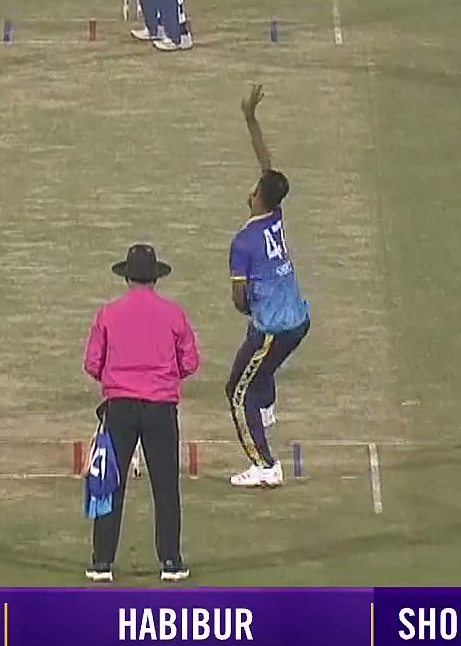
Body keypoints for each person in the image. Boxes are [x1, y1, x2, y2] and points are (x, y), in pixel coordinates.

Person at [82, 244, 200, 582]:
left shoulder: (108, 314)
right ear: (155, 278)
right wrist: (164, 379)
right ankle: (171, 562)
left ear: (127, 277)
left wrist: (117, 380)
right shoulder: (174, 315)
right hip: (161, 409)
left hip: (119, 408)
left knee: (110, 485)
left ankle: (102, 563)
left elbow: (92, 363)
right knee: (166, 486)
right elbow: (190, 362)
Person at [226, 86, 311, 487]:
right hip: (298, 319)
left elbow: (239, 300)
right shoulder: (275, 214)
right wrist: (250, 117)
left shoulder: (243, 242)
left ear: (260, 197)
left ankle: (265, 465)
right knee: (259, 356)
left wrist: (250, 304)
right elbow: (266, 164)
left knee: (236, 391)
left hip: (276, 328)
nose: (251, 189)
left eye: (255, 188)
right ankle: (269, 407)